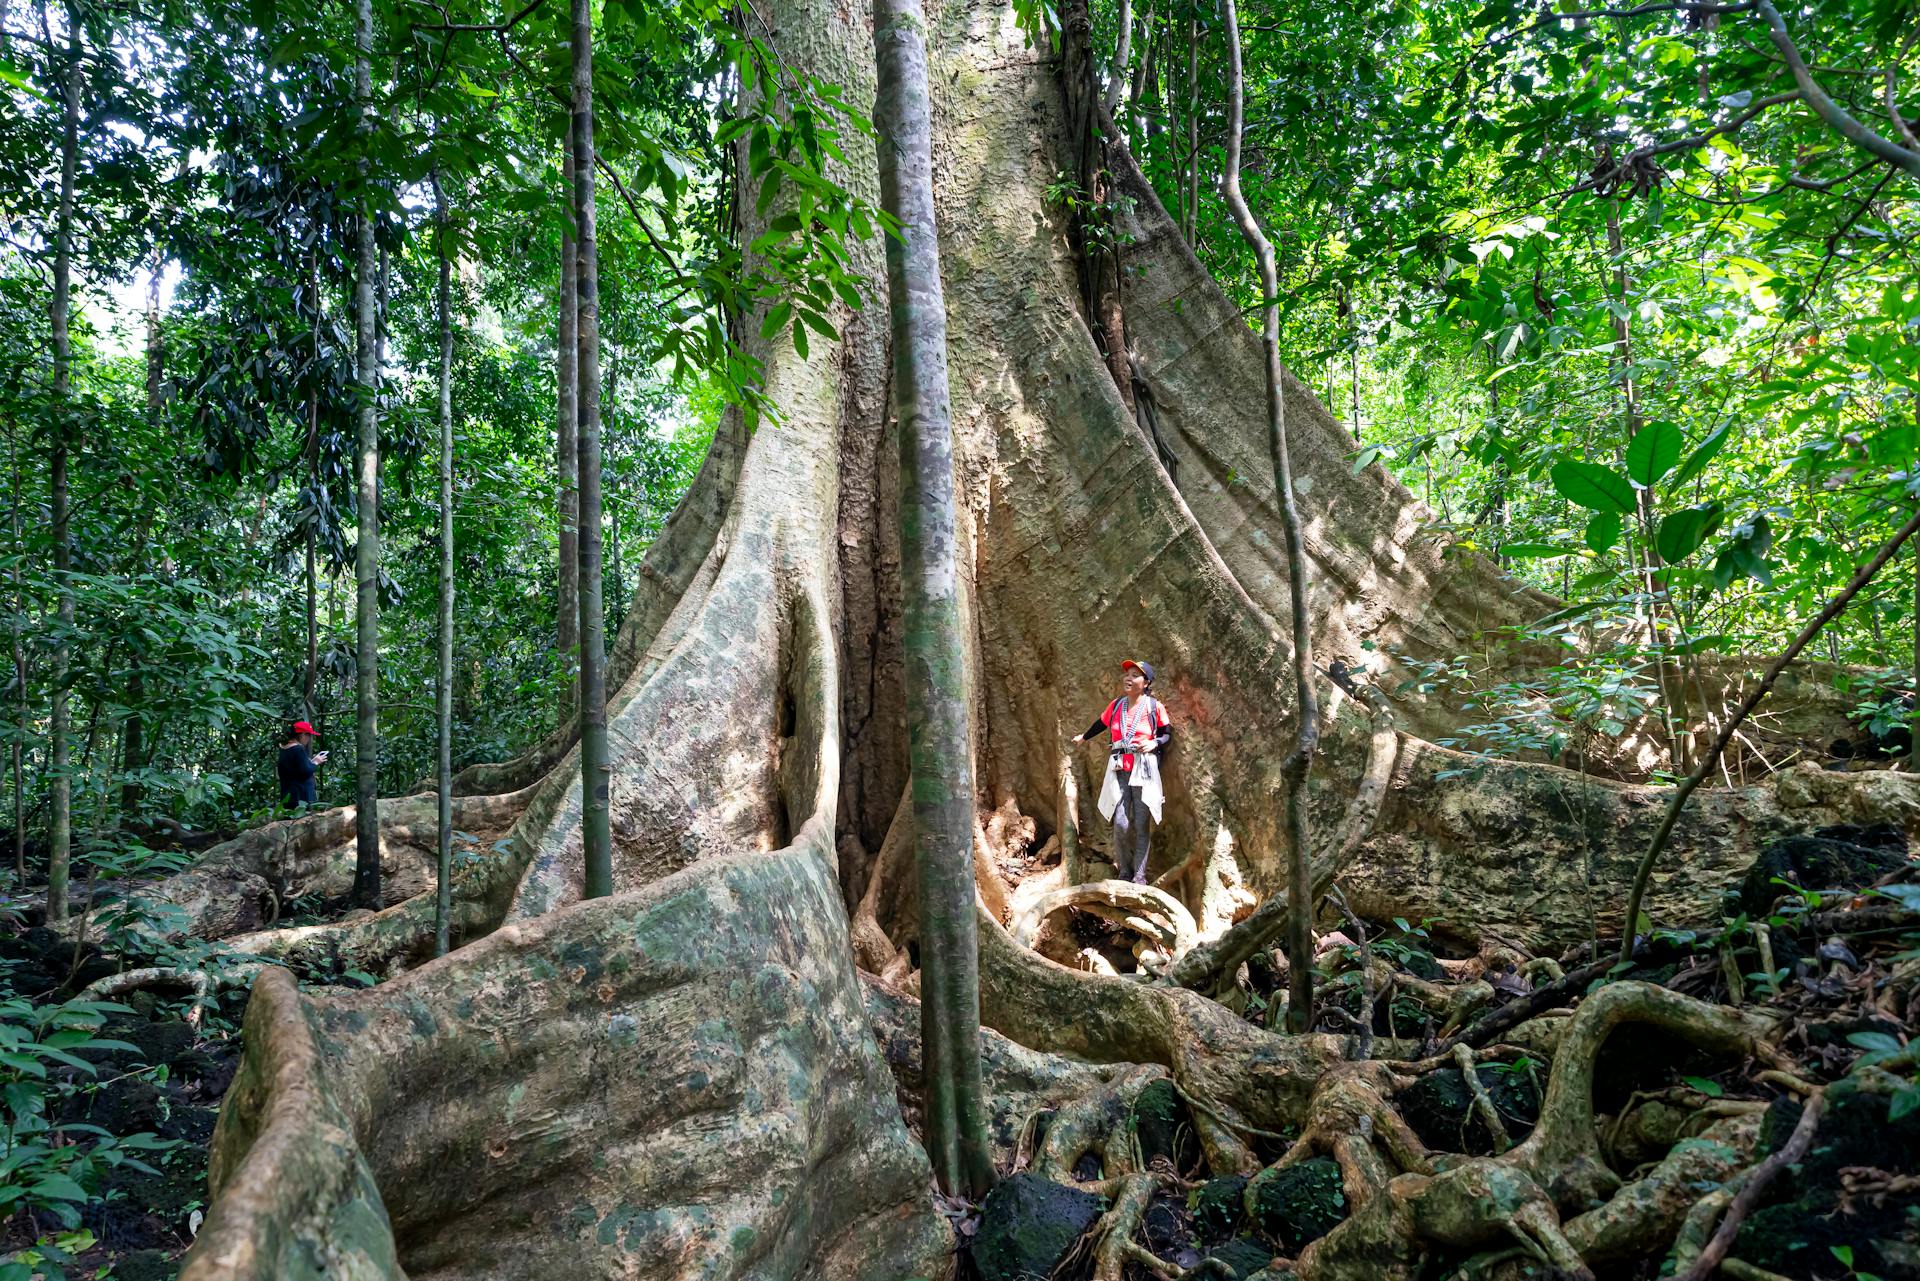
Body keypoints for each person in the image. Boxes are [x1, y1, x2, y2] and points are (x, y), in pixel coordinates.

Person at [1067, 660, 1170, 883]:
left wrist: (1154, 743)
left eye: (1135, 675)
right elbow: (1101, 723)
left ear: (1146, 683)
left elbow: (1166, 734)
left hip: (1143, 769)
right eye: (1127, 674)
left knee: (1141, 823)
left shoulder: (1154, 707)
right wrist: (1084, 737)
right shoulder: (1116, 705)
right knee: (1121, 822)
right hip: (1119, 767)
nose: (1128, 678)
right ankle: (1124, 869)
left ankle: (1139, 876)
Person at [277, 721, 328, 810]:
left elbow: (296, 770)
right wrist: (316, 762)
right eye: (308, 735)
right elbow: (305, 771)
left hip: (288, 796)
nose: (309, 738)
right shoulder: (298, 749)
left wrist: (311, 761)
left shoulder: (285, 749)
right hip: (300, 797)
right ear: (302, 735)